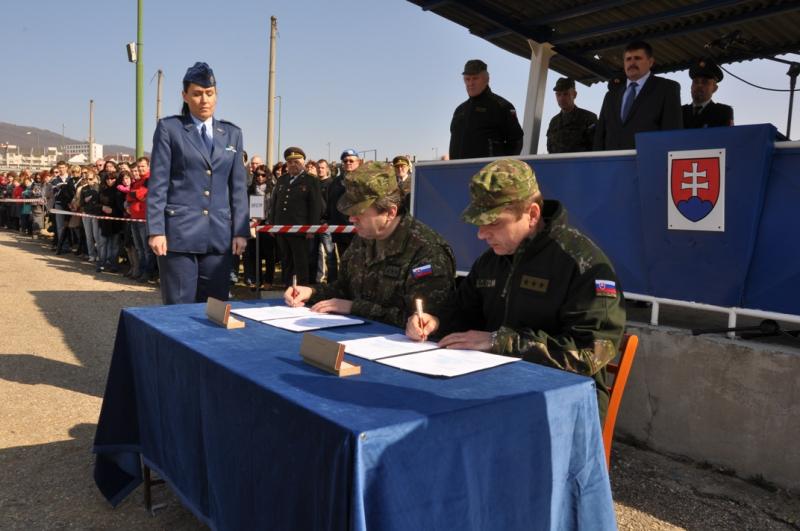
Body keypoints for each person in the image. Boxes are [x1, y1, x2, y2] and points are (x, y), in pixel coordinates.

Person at [406, 159, 625, 421]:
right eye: (479, 223)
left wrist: (500, 341)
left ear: (532, 214)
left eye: (494, 222)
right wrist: (434, 321)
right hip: (491, 386)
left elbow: (589, 352)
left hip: (562, 404)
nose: (481, 234)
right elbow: (462, 310)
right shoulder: (492, 261)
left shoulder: (581, 264)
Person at [285, 162, 456, 328]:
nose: (351, 219)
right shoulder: (365, 237)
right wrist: (311, 292)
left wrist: (355, 307)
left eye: (359, 212)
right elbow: (343, 289)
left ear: (390, 212)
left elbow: (423, 322)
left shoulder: (427, 252)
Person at [147, 62, 250, 304]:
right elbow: (158, 184)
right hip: (179, 235)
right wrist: (156, 230)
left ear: (216, 94)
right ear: (185, 96)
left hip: (219, 236)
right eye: (197, 93)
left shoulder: (232, 134)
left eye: (209, 93)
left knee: (215, 308)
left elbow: (238, 188)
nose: (204, 100)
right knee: (179, 308)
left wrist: (240, 231)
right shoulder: (170, 129)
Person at [594, 41, 683, 151]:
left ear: (650, 62)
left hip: (649, 159)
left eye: (637, 58)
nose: (632, 63)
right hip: (613, 160)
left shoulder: (667, 89)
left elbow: (672, 133)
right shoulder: (611, 96)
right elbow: (600, 137)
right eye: (628, 59)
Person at [449, 59, 524, 159]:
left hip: (489, 169)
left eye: (475, 78)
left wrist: (500, 166)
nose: (470, 83)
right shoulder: (459, 110)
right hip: (458, 168)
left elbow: (516, 141)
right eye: (467, 79)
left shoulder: (502, 106)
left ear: (486, 79)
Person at [268, 146, 322, 285]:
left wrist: (312, 229)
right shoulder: (282, 180)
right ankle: (288, 287)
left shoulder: (311, 180)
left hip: (300, 230)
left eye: (296, 162)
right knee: (286, 261)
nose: (293, 164)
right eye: (290, 162)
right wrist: (272, 224)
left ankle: (302, 288)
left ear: (303, 163)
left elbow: (315, 207)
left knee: (301, 262)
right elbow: (275, 204)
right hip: (281, 228)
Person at [324, 149, 360, 282]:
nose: (348, 163)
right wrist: (328, 220)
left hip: (359, 230)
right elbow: (330, 203)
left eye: (351, 160)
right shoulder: (335, 182)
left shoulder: (364, 180)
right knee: (344, 261)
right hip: (340, 230)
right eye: (345, 161)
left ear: (358, 162)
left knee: (359, 263)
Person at [546, 78, 598, 153]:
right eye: (558, 94)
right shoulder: (553, 122)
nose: (561, 98)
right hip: (557, 160)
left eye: (565, 94)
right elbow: (550, 148)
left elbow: (595, 147)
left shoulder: (589, 118)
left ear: (574, 94)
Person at [682, 59, 734, 129]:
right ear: (691, 87)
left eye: (705, 82)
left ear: (714, 88)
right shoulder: (680, 112)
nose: (699, 85)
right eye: (696, 82)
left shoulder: (722, 112)